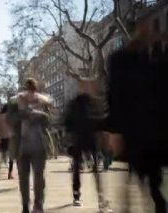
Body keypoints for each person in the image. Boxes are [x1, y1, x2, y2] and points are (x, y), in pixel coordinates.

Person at [106, 19, 168, 213]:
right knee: (144, 180)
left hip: (157, 133)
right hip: (136, 133)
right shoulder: (120, 60)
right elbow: (114, 96)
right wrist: (115, 131)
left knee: (153, 183)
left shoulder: (157, 58)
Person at [64, 80, 109, 210]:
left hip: (88, 139)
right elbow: (68, 123)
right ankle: (78, 195)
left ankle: (100, 198)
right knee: (79, 169)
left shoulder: (92, 103)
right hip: (79, 139)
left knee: (93, 169)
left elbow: (100, 121)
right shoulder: (76, 104)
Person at [8, 78, 51, 213]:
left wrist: (37, 114)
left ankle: (38, 205)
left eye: (32, 90)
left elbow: (50, 120)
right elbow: (10, 120)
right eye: (28, 90)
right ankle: (25, 205)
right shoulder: (15, 102)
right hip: (21, 146)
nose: (30, 94)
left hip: (39, 146)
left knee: (38, 177)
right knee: (23, 178)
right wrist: (22, 114)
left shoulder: (44, 102)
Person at [0, 104, 15, 180]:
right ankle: (10, 173)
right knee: (11, 157)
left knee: (2, 156)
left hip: (2, 138)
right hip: (10, 138)